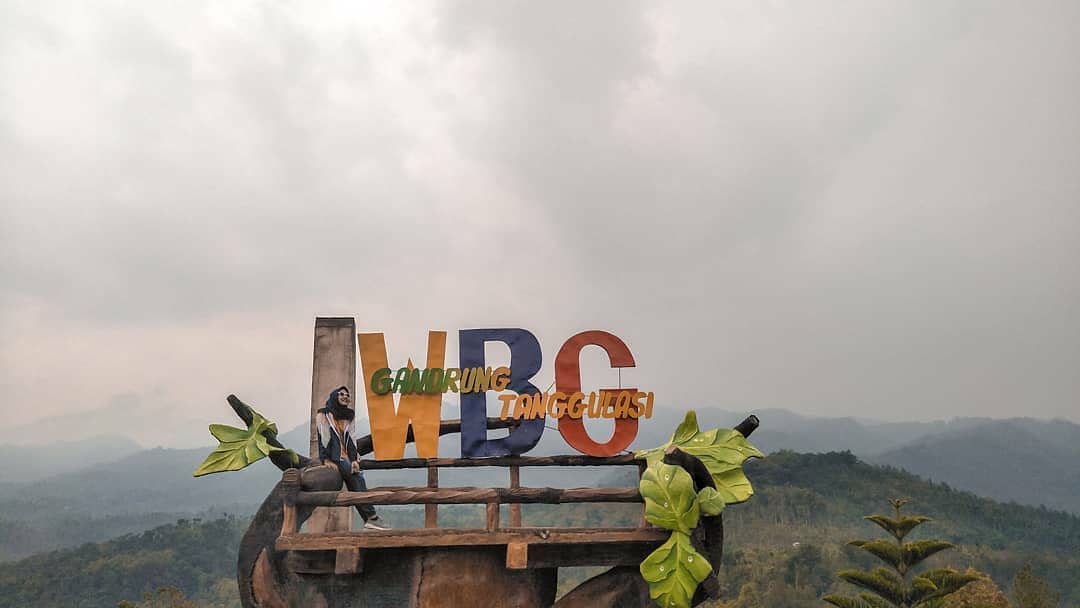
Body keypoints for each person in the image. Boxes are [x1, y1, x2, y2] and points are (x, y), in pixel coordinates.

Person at [315, 386, 390, 530]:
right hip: (335, 456)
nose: (345, 396)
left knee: (355, 484)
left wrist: (355, 459)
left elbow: (352, 438)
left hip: (346, 456)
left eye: (347, 395)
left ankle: (369, 521)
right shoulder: (323, 414)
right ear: (334, 396)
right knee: (357, 479)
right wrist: (325, 459)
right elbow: (322, 438)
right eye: (341, 394)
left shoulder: (349, 415)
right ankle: (372, 517)